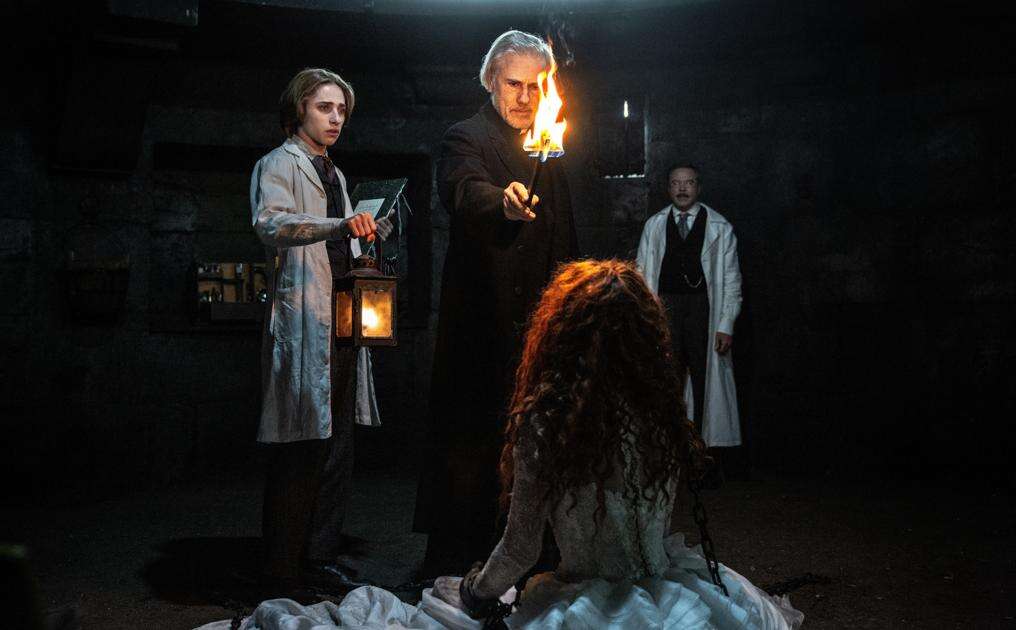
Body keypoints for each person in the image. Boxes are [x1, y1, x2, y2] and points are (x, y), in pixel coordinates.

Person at [200, 260, 802, 629]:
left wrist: (474, 591)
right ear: (646, 336)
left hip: (588, 603)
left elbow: (519, 549)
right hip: (668, 594)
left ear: (562, 334)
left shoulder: (551, 421)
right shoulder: (664, 413)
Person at [414, 29, 578, 575]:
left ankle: (532, 557)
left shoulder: (548, 141)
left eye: (534, 86)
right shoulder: (466, 136)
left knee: (537, 440)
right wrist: (501, 203)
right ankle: (461, 559)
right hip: (482, 320)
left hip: (540, 320)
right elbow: (463, 190)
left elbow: (564, 232)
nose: (525, 98)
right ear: (490, 81)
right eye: (513, 84)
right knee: (474, 441)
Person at [250, 67, 392, 593]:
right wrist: (338, 225)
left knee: (337, 444)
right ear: (300, 110)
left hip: (342, 316)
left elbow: (346, 238)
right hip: (305, 317)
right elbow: (270, 223)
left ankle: (320, 554)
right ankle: (283, 565)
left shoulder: (335, 172)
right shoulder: (278, 164)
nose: (335, 119)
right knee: (302, 443)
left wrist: (370, 229)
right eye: (324, 108)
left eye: (341, 111)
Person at [636, 164, 743, 449]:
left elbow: (732, 280)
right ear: (668, 188)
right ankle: (669, 444)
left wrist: (726, 325)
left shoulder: (719, 227)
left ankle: (700, 447)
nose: (682, 189)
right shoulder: (655, 225)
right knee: (667, 373)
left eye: (689, 183)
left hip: (702, 309)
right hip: (666, 307)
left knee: (702, 374)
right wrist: (645, 319)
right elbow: (642, 274)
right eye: (676, 183)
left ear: (699, 187)